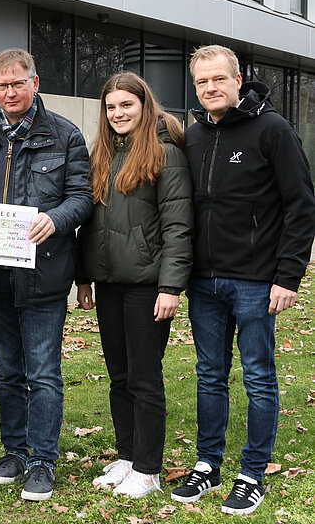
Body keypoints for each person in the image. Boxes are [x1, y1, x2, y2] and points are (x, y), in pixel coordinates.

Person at [170, 45, 315, 515]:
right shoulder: (193, 136)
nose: (209, 89)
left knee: (258, 377)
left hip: (256, 280)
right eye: (201, 82)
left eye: (218, 79)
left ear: (237, 79)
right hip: (204, 282)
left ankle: (252, 472)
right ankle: (208, 465)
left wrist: (288, 275)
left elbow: (301, 206)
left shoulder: (272, 130)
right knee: (210, 376)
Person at [0, 48, 93, 501]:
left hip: (44, 274)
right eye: (2, 85)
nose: (10, 92)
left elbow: (83, 196)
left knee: (43, 372)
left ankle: (42, 459)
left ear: (34, 83)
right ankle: (15, 450)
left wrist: (56, 219)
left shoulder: (65, 135)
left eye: (18, 83)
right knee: (5, 371)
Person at [76, 72, 193, 498]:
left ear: (144, 105)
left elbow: (179, 226)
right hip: (108, 283)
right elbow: (88, 222)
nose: (118, 113)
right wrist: (84, 278)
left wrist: (171, 287)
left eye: (127, 105)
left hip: (148, 285)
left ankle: (148, 467)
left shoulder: (165, 153)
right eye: (111, 107)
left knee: (145, 378)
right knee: (118, 375)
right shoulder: (102, 154)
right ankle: (126, 456)